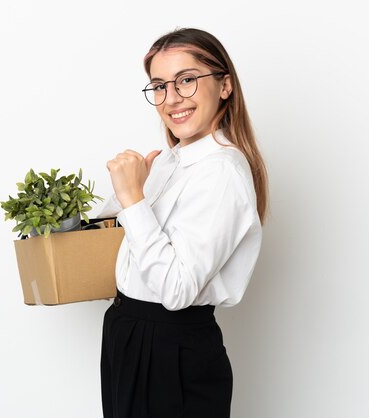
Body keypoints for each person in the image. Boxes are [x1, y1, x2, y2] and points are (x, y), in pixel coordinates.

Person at [98, 27, 268, 418]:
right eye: (159, 85)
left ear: (224, 85)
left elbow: (176, 290)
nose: (171, 98)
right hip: (129, 332)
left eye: (186, 80)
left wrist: (133, 197)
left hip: (170, 347)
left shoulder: (222, 172)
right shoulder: (168, 162)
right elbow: (127, 239)